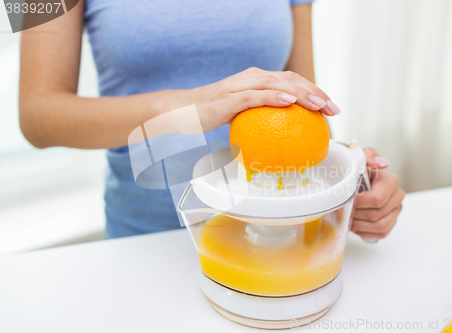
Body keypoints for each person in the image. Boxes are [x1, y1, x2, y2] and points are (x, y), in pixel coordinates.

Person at [19, 0, 405, 240]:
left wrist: (348, 181)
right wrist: (184, 108)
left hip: (276, 232)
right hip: (145, 243)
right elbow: (36, 115)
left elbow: (301, 100)